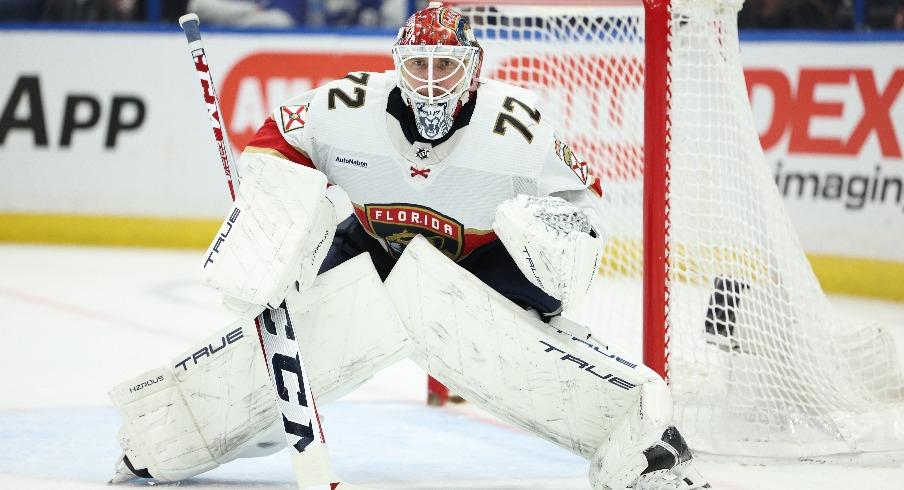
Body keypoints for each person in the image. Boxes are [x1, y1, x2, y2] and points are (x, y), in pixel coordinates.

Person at [108, 3, 710, 489]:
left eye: (443, 67)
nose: (428, 83)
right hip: (372, 244)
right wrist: (272, 221)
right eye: (416, 66)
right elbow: (275, 143)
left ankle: (639, 436)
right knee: (293, 339)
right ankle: (172, 437)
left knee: (511, 351)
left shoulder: (517, 131)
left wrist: (551, 257)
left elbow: (584, 200)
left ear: (471, 69)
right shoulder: (346, 107)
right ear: (397, 65)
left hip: (482, 262)